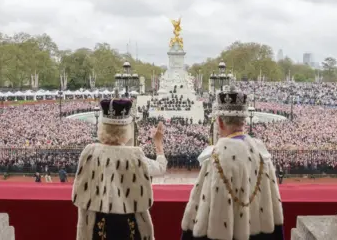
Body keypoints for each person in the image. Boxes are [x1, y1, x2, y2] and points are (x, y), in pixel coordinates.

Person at [181, 85, 284, 240]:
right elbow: (274, 209)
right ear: (244, 121)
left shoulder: (215, 158)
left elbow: (203, 210)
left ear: (220, 123)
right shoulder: (262, 154)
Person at [72, 96, 167, 240]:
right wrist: (158, 145)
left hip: (96, 225)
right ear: (126, 129)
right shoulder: (135, 156)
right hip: (129, 225)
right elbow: (160, 168)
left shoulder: (89, 152)